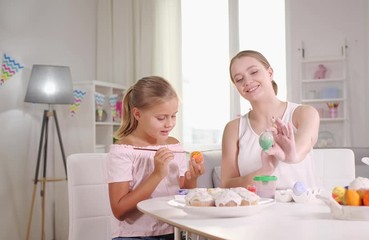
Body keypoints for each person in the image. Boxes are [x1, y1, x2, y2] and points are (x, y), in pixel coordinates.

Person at [106, 76, 205, 240]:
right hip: (135, 236)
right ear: (137, 114)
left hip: (172, 231)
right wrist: (157, 175)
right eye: (161, 118)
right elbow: (119, 211)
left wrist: (192, 179)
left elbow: (182, 196)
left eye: (173, 116)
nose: (169, 124)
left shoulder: (174, 146)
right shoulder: (123, 151)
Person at [221, 50, 321, 190]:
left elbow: (300, 150)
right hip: (255, 211)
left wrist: (287, 154)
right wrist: (264, 171)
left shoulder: (304, 113)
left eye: (254, 72)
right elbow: (226, 185)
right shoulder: (233, 129)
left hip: (303, 210)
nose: (247, 81)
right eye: (239, 79)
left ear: (270, 73)